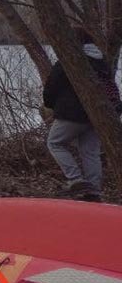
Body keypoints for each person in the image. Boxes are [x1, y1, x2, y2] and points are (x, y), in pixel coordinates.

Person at [42, 27, 122, 203]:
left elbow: (51, 87)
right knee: (90, 152)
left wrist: (50, 104)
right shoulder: (101, 61)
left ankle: (76, 179)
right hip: (97, 115)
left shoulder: (69, 59)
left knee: (54, 143)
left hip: (71, 114)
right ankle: (94, 192)